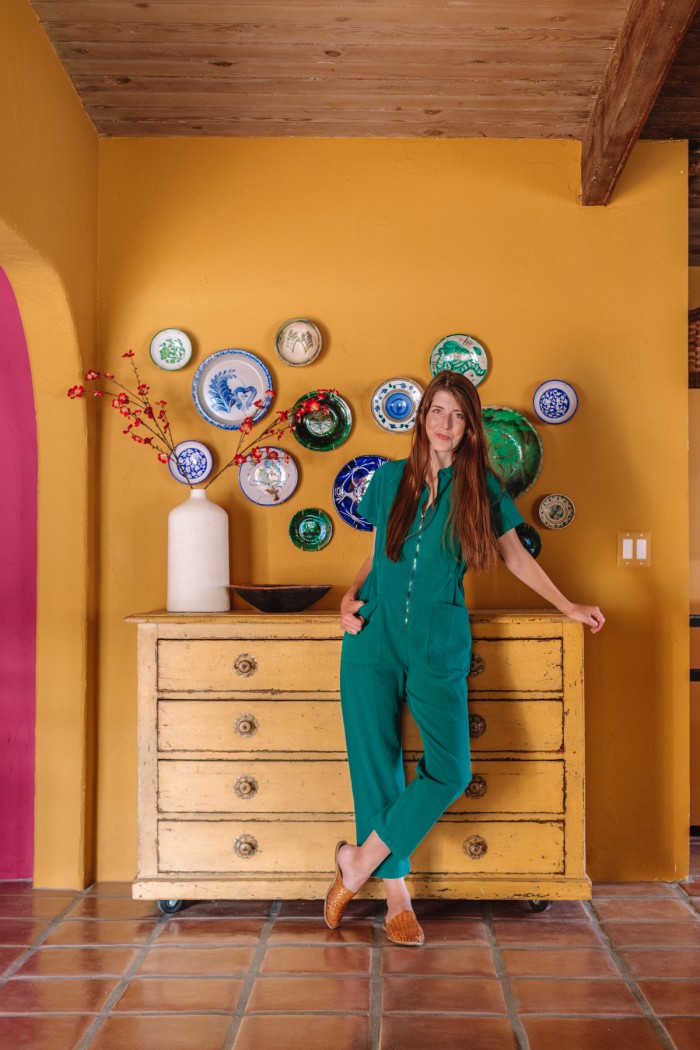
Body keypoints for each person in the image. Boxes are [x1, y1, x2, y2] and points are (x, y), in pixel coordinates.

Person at [324, 370, 605, 946]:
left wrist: (566, 604)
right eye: (436, 412)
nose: (444, 424)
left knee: (449, 770)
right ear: (421, 418)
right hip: (372, 637)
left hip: (438, 637)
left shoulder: (482, 489)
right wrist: (349, 599)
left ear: (470, 425)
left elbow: (516, 558)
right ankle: (396, 894)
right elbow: (378, 554)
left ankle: (358, 863)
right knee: (374, 764)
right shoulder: (390, 478)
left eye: (456, 414)